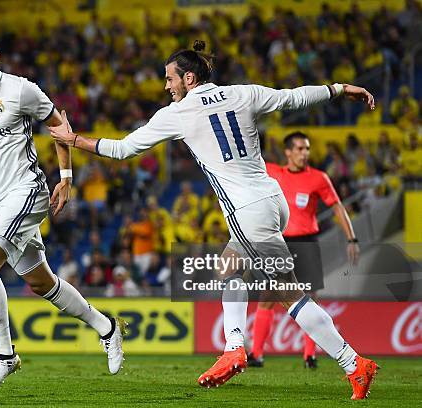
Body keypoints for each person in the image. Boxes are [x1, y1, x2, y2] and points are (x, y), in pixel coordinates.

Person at [49, 41, 378, 400]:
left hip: (247, 212)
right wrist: (340, 88)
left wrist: (73, 139)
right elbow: (293, 97)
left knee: (289, 294)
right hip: (273, 199)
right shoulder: (242, 93)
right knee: (228, 268)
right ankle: (234, 347)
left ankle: (353, 363)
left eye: (169, 78)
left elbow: (124, 149)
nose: (166, 86)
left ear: (188, 78)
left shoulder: (177, 113)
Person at [0, 32, 125, 390]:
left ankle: (5, 354)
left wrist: (66, 177)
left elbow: (59, 126)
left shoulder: (21, 90)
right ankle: (107, 327)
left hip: (29, 191)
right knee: (41, 283)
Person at [248, 131, 360, 369]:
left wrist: (351, 239)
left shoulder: (319, 178)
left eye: (307, 149)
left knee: (310, 299)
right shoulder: (272, 172)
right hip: (279, 244)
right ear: (287, 152)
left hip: (307, 241)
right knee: (267, 297)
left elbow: (337, 207)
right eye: (299, 148)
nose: (304, 153)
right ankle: (256, 354)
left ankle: (310, 354)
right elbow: (246, 163)